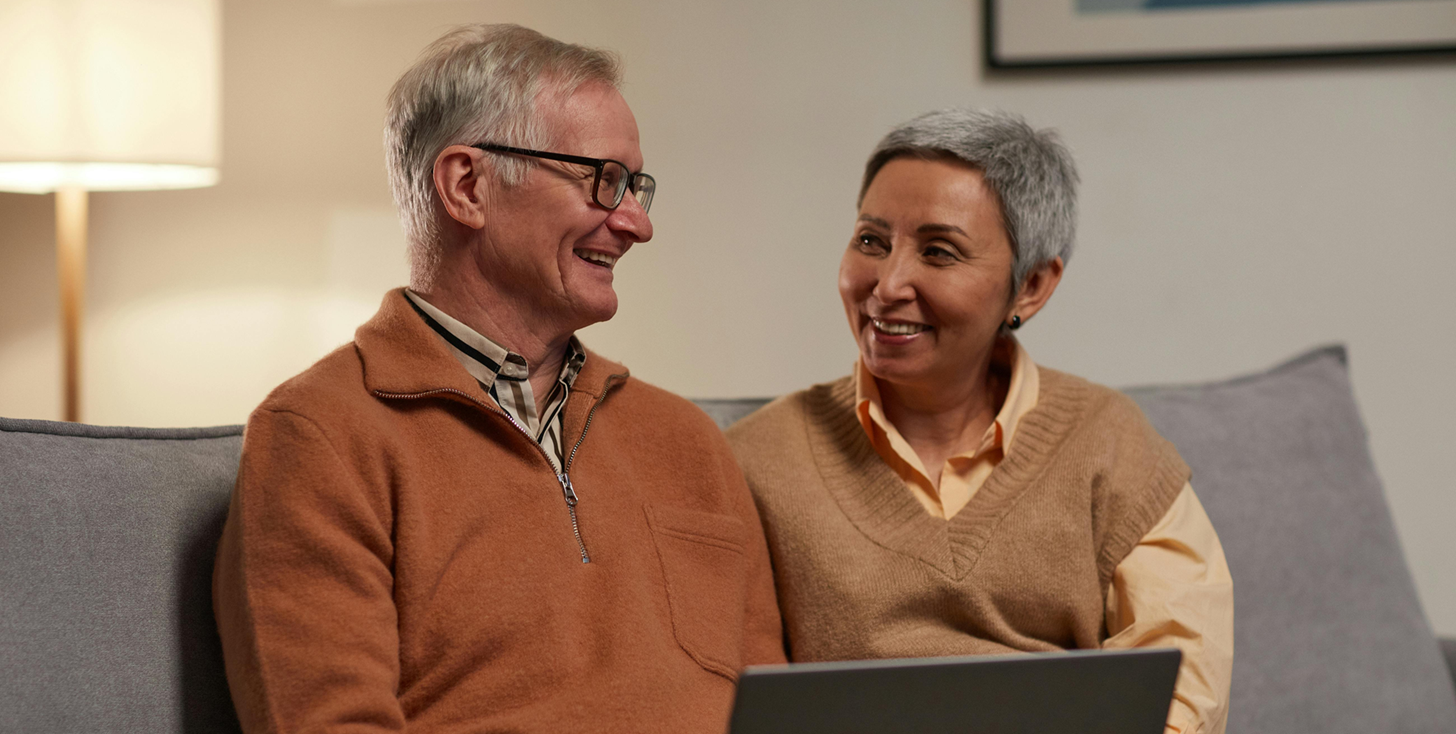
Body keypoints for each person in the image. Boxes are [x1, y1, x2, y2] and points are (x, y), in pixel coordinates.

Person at [213, 24, 784, 734]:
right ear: (468, 186)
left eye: (636, 187)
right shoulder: (321, 437)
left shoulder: (689, 442)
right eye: (605, 181)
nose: (637, 223)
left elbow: (782, 710)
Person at [725, 108, 1233, 734]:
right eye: (871, 241)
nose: (887, 285)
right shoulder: (749, 464)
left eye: (939, 252)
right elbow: (719, 687)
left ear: (1032, 287)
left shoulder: (1113, 445)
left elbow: (1180, 695)